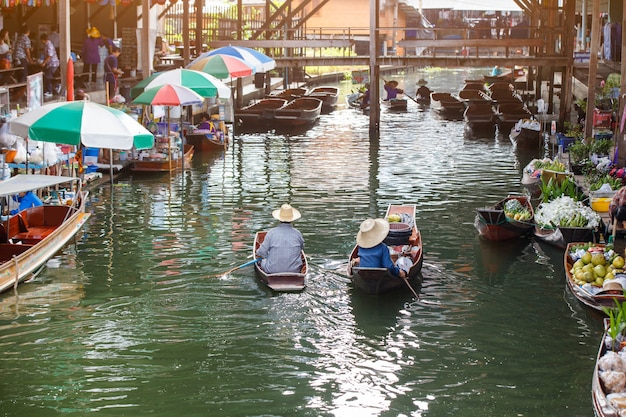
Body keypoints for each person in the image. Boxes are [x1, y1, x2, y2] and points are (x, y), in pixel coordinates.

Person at [256, 204, 305, 274]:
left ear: (279, 219)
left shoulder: (271, 233)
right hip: (295, 270)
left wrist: (259, 254)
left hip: (272, 270)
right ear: (292, 220)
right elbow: (301, 248)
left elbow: (261, 252)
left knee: (262, 260)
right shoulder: (298, 234)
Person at [40, 33, 60, 98]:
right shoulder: (46, 45)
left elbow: (49, 56)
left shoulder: (49, 45)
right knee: (48, 76)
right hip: (50, 64)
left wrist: (44, 63)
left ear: (43, 40)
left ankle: (50, 91)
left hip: (53, 63)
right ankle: (57, 86)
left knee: (48, 77)